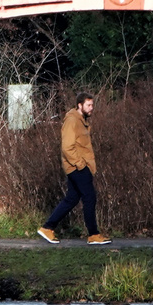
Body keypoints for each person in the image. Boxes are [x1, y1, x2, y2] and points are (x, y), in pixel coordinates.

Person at [37, 92, 112, 244]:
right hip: (77, 167)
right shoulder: (72, 121)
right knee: (90, 197)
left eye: (92, 105)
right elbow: (67, 147)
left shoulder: (81, 121)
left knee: (72, 198)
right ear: (80, 105)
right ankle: (93, 235)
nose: (92, 108)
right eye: (88, 105)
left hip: (79, 166)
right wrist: (80, 164)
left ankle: (48, 227)